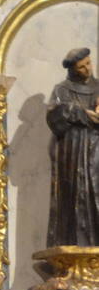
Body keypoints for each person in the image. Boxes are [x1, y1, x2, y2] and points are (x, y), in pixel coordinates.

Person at [46, 47, 99, 247]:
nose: (87, 69)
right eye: (81, 67)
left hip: (97, 149)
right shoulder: (62, 90)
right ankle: (76, 245)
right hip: (74, 151)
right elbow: (54, 117)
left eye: (88, 63)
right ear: (73, 70)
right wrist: (80, 113)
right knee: (78, 198)